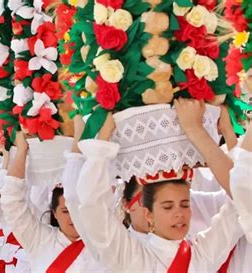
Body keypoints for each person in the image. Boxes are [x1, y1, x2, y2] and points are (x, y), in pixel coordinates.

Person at [63, 99, 242, 272]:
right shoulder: (132, 257)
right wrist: (102, 143)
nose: (179, 213)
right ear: (148, 214)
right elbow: (93, 207)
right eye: (167, 206)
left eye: (185, 204)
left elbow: (242, 201)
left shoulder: (202, 254)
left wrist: (220, 132)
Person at [0, 128, 107, 272]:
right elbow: (11, 200)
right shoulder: (39, 239)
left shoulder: (102, 244)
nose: (72, 217)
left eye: (77, 209)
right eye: (65, 211)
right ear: (54, 213)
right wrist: (22, 151)